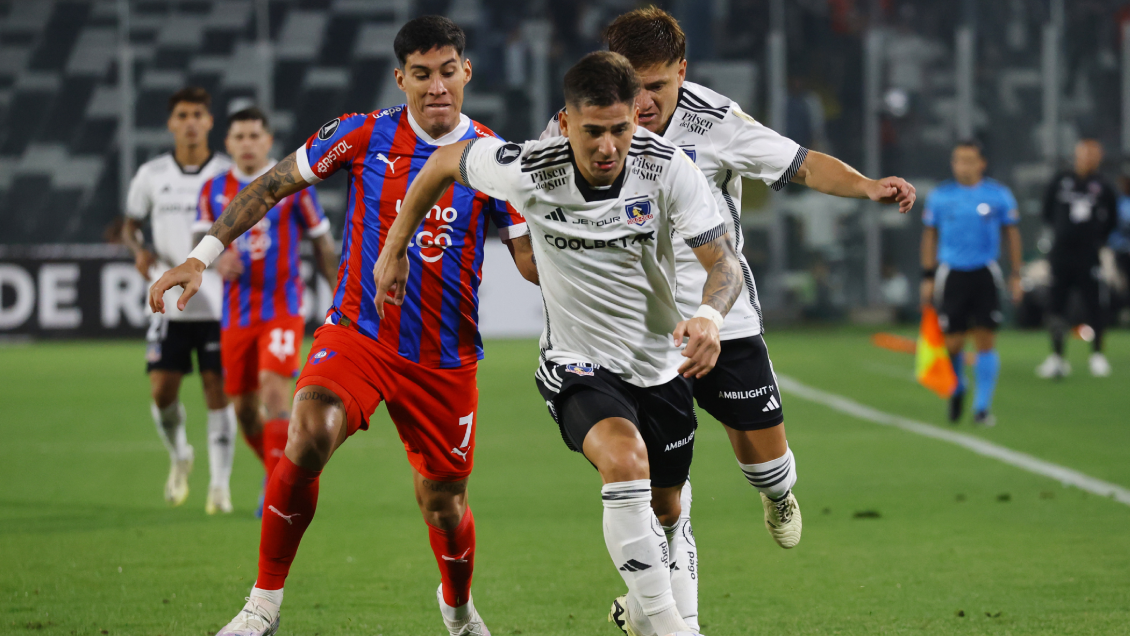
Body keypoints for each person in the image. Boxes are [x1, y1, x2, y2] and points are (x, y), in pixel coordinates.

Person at [148, 17, 533, 636]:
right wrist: (199, 257)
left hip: (444, 358)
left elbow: (528, 262)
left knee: (444, 504)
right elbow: (273, 184)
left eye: (447, 72)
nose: (436, 87)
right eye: (421, 74)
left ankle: (458, 611)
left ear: (466, 72)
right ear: (401, 77)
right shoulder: (363, 134)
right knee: (307, 431)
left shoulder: (495, 158)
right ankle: (262, 606)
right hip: (360, 333)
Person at [541, 10, 916, 634]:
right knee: (664, 497)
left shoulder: (716, 123)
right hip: (642, 341)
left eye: (656, 87)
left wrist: (867, 185)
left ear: (682, 73)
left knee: (765, 462)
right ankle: (663, 615)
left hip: (726, 322)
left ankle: (776, 496)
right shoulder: (591, 125)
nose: (641, 103)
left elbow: (802, 163)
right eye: (631, 85)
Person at [374, 50, 744, 636]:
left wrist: (708, 318)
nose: (607, 147)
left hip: (656, 365)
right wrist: (395, 246)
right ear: (566, 123)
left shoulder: (668, 167)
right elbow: (444, 160)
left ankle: (647, 610)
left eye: (619, 130)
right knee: (624, 464)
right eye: (592, 131)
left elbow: (723, 260)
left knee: (669, 509)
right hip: (576, 362)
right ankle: (678, 629)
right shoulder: (529, 166)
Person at [194, 107, 339, 504]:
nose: (246, 144)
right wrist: (217, 258)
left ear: (268, 140)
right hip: (236, 313)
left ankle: (276, 491)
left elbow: (322, 242)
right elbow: (199, 236)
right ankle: (272, 469)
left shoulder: (294, 185)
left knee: (275, 393)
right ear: (228, 143)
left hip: (282, 307)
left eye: (254, 136)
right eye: (238, 137)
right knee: (242, 407)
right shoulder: (211, 190)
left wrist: (338, 294)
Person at [120, 87, 236, 513]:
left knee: (217, 391)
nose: (190, 122)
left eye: (198, 114)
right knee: (162, 391)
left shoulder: (227, 173)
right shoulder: (151, 175)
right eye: (182, 114)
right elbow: (129, 226)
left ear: (209, 122)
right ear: (171, 123)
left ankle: (220, 486)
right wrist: (139, 250)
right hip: (167, 303)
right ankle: (180, 454)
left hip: (219, 304)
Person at [920, 141, 1022, 427]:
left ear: (981, 163)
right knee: (953, 342)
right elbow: (929, 236)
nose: (962, 166)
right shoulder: (941, 197)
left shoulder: (998, 195)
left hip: (984, 273)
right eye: (958, 160)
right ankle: (959, 386)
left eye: (968, 160)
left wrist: (1016, 274)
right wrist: (927, 275)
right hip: (952, 273)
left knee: (986, 339)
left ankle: (981, 408)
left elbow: (1011, 234)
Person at [1036, 139, 1118, 379]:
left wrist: (1094, 239)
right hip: (1061, 253)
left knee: (1094, 304)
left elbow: (1111, 220)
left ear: (1099, 158)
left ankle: (1097, 355)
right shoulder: (1061, 180)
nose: (1087, 159)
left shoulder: (1103, 185)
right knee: (1056, 305)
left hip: (1089, 254)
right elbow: (1048, 212)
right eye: (1084, 154)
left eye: (1093, 155)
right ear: (1076, 155)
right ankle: (1057, 357)